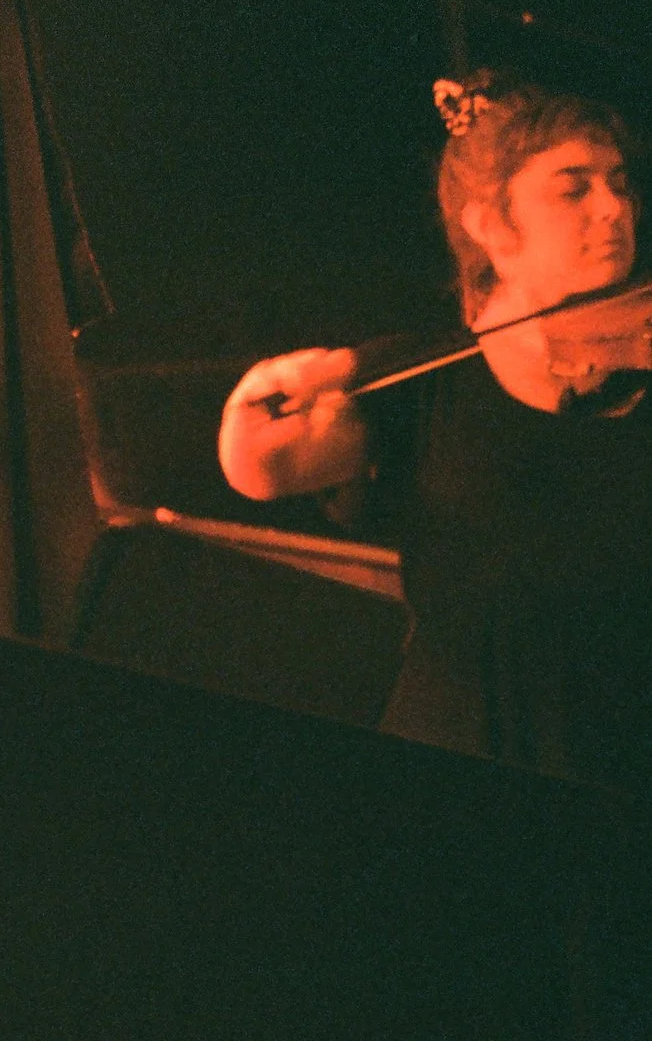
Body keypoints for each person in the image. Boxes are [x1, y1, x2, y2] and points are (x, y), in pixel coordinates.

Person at [217, 72, 652, 798]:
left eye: (620, 183)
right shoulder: (424, 378)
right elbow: (265, 466)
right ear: (490, 223)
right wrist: (259, 399)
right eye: (573, 189)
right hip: (456, 764)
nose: (613, 208)